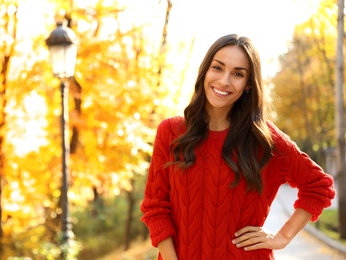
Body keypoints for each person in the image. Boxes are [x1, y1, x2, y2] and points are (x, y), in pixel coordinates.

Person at [140, 34, 336, 260]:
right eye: (218, 68)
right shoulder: (171, 132)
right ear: (205, 71)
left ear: (248, 85)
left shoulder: (264, 139)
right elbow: (155, 208)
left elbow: (319, 186)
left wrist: (281, 237)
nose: (224, 81)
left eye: (238, 74)